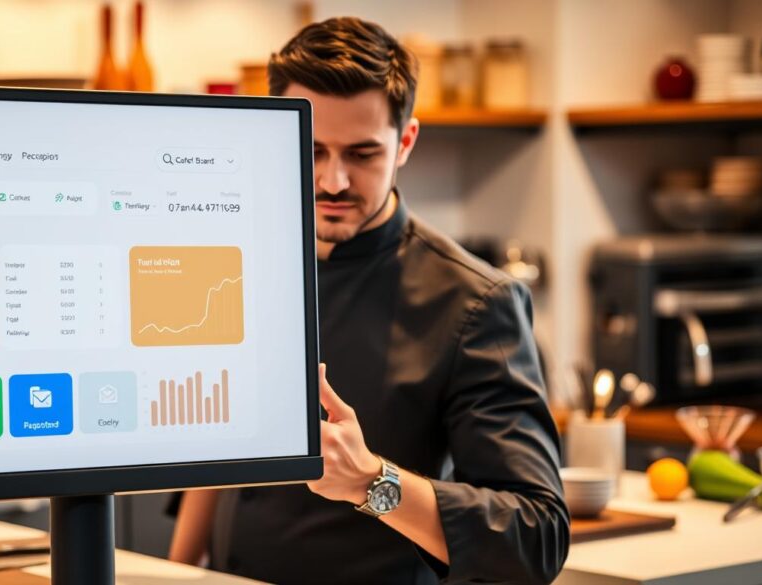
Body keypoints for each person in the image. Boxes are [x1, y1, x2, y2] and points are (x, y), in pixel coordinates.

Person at [169, 16, 569, 585]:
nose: (333, 181)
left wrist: (370, 481)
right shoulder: (241, 262)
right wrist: (175, 571)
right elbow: (217, 461)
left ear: (405, 142)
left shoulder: (478, 304)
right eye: (311, 152)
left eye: (362, 154)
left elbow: (536, 536)